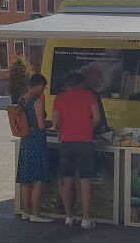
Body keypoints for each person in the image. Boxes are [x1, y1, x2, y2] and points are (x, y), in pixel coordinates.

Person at [53, 71, 100, 229]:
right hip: (85, 141)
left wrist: (65, 128)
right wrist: (87, 127)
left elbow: (56, 121)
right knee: (85, 181)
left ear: (68, 84)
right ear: (82, 83)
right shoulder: (89, 95)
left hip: (67, 142)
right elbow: (97, 118)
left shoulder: (59, 98)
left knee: (67, 180)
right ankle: (86, 219)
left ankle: (68, 216)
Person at [16, 74, 53, 223]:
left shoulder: (21, 99)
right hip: (37, 142)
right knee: (38, 179)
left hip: (25, 141)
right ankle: (36, 214)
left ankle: (26, 212)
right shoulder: (36, 101)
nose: (43, 90)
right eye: (43, 87)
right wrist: (49, 123)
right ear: (37, 85)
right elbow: (41, 125)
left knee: (26, 179)